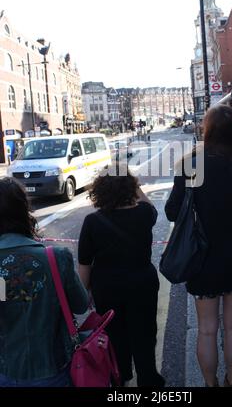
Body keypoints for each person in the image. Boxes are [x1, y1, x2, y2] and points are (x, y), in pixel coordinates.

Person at [165, 105, 232, 387]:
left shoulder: (191, 164)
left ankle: (210, 384)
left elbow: (172, 212)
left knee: (207, 330)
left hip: (202, 258)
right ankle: (231, 381)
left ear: (207, 130)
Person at [78, 166, 164, 387]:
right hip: (142, 283)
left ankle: (120, 377)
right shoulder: (144, 214)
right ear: (130, 188)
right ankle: (148, 378)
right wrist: (133, 183)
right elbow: (149, 205)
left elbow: (85, 264)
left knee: (114, 336)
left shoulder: (92, 222)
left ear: (99, 191)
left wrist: (82, 295)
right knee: (144, 333)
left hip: (107, 287)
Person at [0, 177, 89, 387]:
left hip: (6, 369)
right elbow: (81, 304)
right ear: (25, 211)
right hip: (52, 367)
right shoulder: (56, 258)